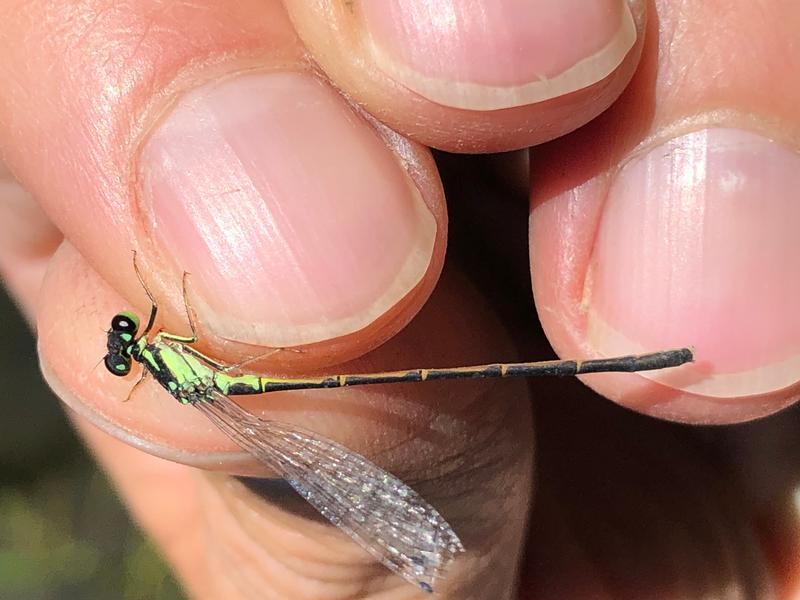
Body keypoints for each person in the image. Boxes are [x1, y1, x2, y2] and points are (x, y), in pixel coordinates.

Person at [1, 0, 797, 597]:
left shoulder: (158, 355)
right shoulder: (177, 363)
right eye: (126, 343)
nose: (126, 339)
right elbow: (199, 314)